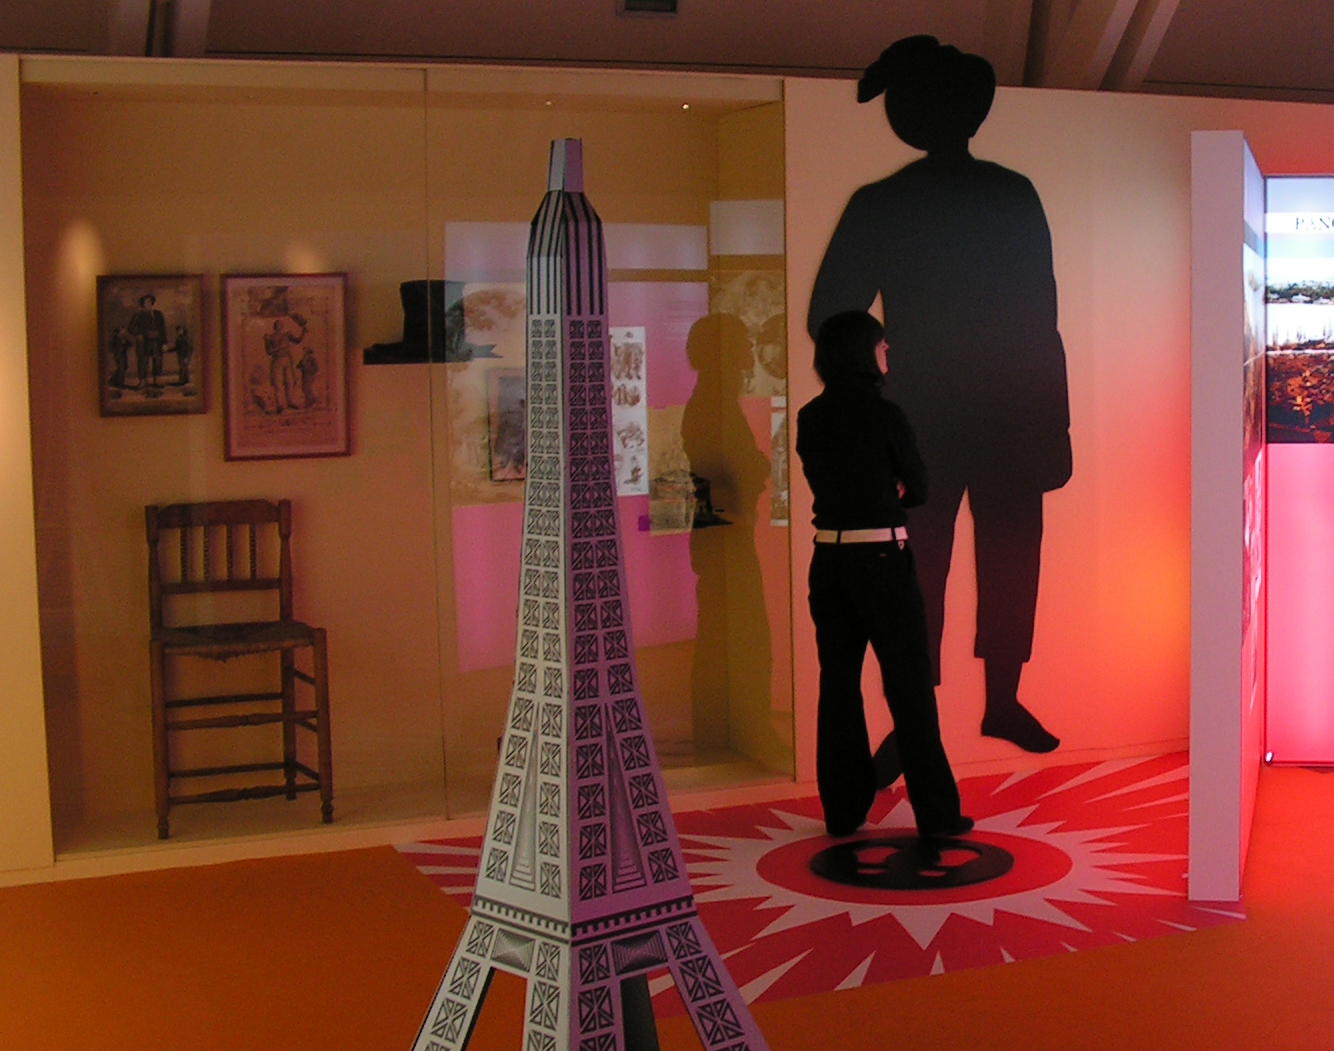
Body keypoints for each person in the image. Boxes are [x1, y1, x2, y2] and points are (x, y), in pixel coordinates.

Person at [807, 36, 1071, 755]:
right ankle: (972, 707)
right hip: (974, 413)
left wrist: (885, 366)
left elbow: (830, 315)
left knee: (940, 563)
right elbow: (1041, 317)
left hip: (942, 411)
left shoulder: (887, 202)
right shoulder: (1006, 195)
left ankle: (945, 713)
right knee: (968, 559)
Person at [796, 310, 971, 840]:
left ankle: (842, 811)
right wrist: (890, 486)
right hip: (882, 560)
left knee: (838, 685)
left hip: (829, 560)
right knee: (909, 687)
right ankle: (936, 816)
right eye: (880, 344)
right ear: (863, 352)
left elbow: (830, 482)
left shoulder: (810, 416)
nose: (887, 350)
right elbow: (918, 486)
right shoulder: (885, 414)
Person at [127, 293, 168, 389]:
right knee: (143, 361)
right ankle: (142, 381)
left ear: (152, 303)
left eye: (149, 302)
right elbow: (131, 328)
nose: (148, 304)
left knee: (157, 360)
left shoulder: (158, 314)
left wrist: (164, 343)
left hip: (157, 342)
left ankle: (157, 380)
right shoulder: (138, 315)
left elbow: (162, 329)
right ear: (143, 304)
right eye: (146, 302)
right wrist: (139, 334)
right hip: (144, 342)